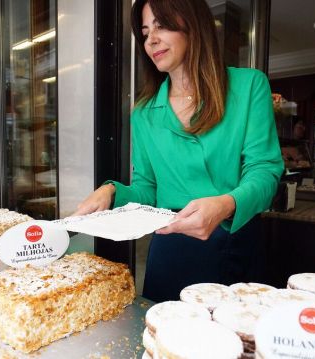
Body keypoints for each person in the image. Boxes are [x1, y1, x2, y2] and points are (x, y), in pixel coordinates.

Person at [74, 0, 284, 302]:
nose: (151, 40)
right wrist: (112, 192)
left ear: (192, 24)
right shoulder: (145, 112)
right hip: (171, 249)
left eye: (161, 26)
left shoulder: (249, 86)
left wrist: (226, 204)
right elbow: (149, 190)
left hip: (235, 240)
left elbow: (265, 171)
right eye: (145, 32)